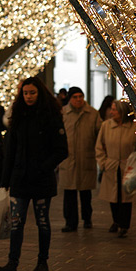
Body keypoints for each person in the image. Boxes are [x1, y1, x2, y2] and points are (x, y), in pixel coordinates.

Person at [0, 77, 68, 271]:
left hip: (42, 179)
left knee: (42, 222)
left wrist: (43, 167)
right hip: (20, 179)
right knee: (16, 222)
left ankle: (42, 262)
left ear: (40, 93)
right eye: (25, 93)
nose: (28, 96)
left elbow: (62, 150)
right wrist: (4, 181)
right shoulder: (18, 115)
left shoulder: (51, 116)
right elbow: (10, 150)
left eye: (32, 93)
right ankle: (12, 264)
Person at [58, 87, 102, 232]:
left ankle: (87, 218)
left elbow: (100, 135)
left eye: (80, 96)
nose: (78, 100)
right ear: (70, 99)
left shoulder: (92, 114)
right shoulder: (63, 113)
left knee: (85, 193)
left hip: (86, 158)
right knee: (69, 194)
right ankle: (70, 222)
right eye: (75, 97)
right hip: (68, 159)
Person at [96, 100, 136, 238]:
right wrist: (103, 163)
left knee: (126, 196)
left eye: (115, 110)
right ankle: (116, 221)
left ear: (122, 112)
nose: (111, 112)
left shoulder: (134, 127)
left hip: (128, 166)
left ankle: (124, 225)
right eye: (112, 109)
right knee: (113, 196)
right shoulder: (106, 126)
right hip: (111, 165)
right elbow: (99, 146)